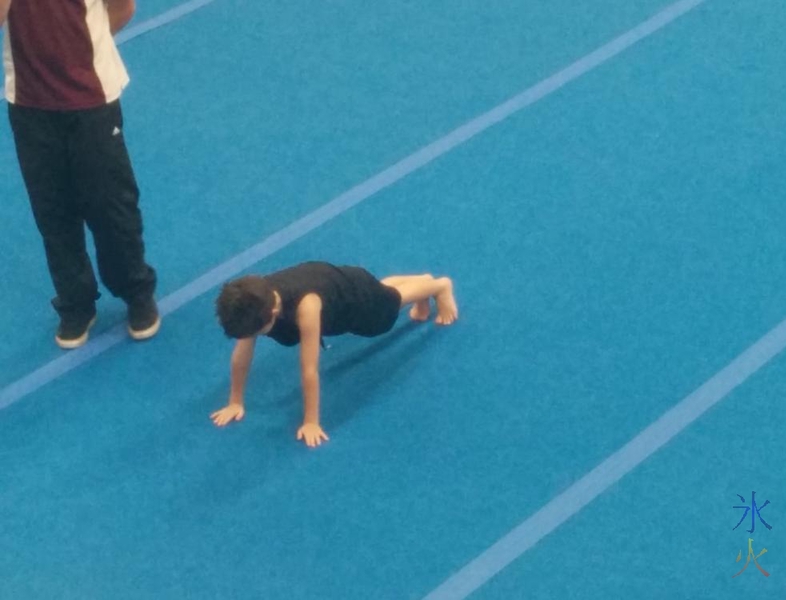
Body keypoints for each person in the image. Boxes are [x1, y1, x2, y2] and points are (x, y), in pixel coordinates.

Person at [1, 0, 160, 349]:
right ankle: (76, 302)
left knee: (112, 205)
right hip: (29, 103)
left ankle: (135, 290)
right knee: (52, 210)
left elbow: (123, 9)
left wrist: (83, 56)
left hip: (91, 100)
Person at [211, 262, 458, 447]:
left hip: (352, 297)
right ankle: (421, 283)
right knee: (383, 293)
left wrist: (310, 421)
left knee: (387, 311)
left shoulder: (306, 307)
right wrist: (235, 401)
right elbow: (241, 356)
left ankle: (438, 287)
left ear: (274, 310)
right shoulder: (255, 299)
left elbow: (309, 369)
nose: (254, 336)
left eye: (258, 332)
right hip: (337, 281)